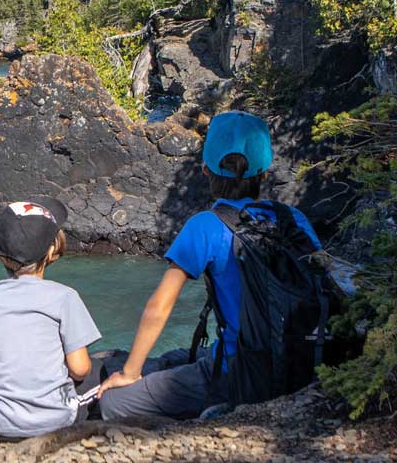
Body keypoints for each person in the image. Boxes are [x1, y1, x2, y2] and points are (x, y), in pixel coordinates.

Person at [97, 111, 323, 422]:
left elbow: (159, 306)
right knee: (176, 357)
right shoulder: (293, 219)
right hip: (300, 363)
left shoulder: (205, 225)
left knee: (114, 403)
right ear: (264, 175)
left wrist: (131, 372)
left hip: (237, 372)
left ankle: (210, 421)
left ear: (205, 170)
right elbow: (324, 281)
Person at [0, 197, 103, 438]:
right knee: (99, 368)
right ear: (52, 249)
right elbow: (80, 369)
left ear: (1, 254)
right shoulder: (65, 297)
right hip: (58, 420)